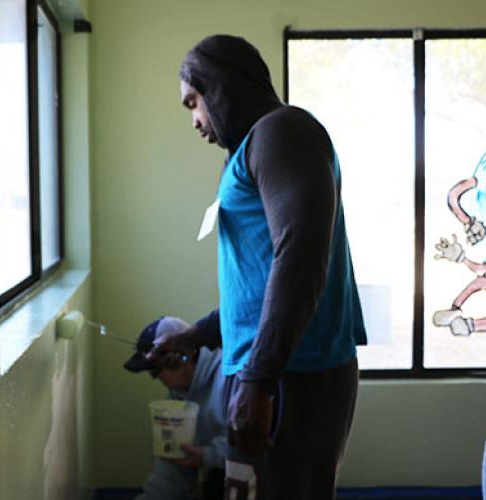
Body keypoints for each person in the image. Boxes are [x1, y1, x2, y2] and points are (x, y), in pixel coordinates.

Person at [147, 35, 368, 499]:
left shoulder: (283, 131)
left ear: (221, 87)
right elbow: (258, 280)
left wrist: (258, 380)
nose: (194, 120)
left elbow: (301, 254)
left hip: (293, 373)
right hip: (271, 371)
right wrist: (199, 335)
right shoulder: (253, 147)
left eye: (194, 102)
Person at [124, 316, 228, 500]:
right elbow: (169, 476)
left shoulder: (229, 378)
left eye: (155, 370)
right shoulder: (175, 399)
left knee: (215, 481)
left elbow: (255, 447)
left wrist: (207, 456)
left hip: (254, 482)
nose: (153, 378)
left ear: (183, 356)